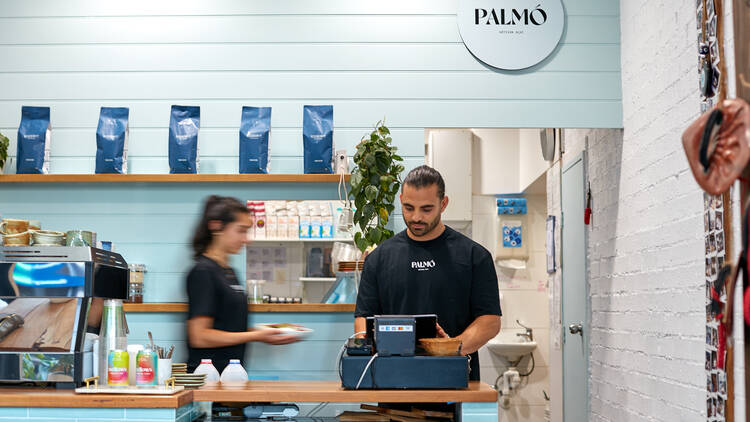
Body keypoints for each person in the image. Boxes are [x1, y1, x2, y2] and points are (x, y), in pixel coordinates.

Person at [354, 165, 502, 380]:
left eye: (426, 209)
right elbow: (363, 320)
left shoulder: (474, 256)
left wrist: (449, 349)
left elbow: (490, 321)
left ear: (443, 204)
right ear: (401, 199)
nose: (416, 217)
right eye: (408, 207)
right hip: (393, 381)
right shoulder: (378, 259)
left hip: (454, 379)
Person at [186, 195, 298, 373]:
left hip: (229, 374)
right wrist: (255, 335)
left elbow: (229, 327)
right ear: (216, 226)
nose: (247, 239)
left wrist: (274, 331)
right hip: (208, 379)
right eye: (241, 230)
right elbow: (199, 336)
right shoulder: (203, 272)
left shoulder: (228, 272)